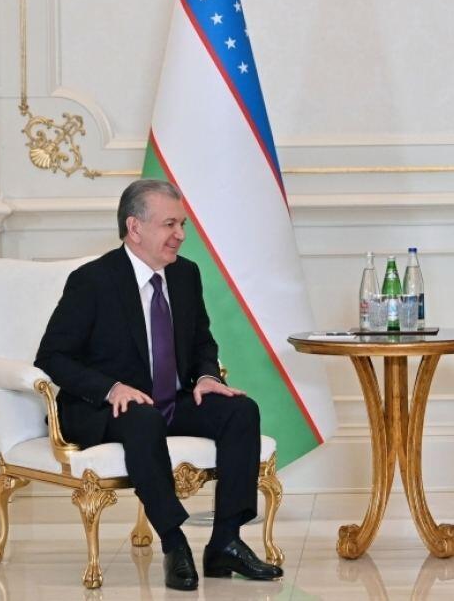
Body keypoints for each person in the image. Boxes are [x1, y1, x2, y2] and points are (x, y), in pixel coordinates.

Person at [35, 179, 282, 590]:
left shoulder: (185, 274)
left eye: (182, 224)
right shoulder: (93, 280)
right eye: (170, 224)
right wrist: (111, 388)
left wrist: (206, 376)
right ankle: (174, 543)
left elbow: (202, 341)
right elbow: (52, 356)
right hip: (105, 407)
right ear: (135, 228)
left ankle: (226, 542)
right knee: (143, 419)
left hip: (168, 399)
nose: (180, 235)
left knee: (241, 411)